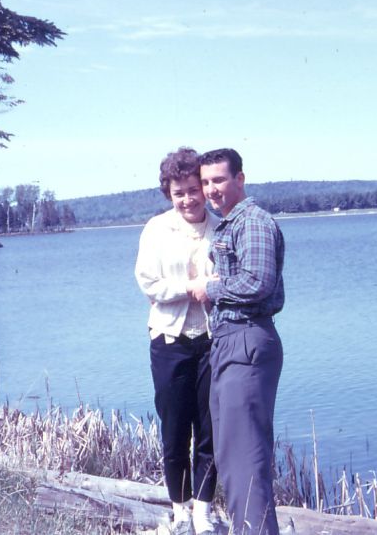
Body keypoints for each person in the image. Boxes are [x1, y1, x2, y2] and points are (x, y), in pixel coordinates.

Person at [193, 148, 285, 535]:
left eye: (219, 180)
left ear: (240, 179)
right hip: (231, 342)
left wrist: (210, 287)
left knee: (245, 459)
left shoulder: (254, 223)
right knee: (233, 457)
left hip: (246, 340)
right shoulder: (230, 224)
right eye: (206, 182)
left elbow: (258, 281)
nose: (211, 189)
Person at [135, 147, 220, 535]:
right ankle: (180, 509)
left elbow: (226, 284)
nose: (187, 199)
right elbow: (149, 283)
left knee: (210, 429)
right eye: (178, 192)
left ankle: (204, 510)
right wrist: (191, 287)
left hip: (213, 341)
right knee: (174, 431)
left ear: (203, 189)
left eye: (192, 189)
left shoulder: (221, 229)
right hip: (169, 341)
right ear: (168, 193)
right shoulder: (156, 229)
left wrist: (212, 287)